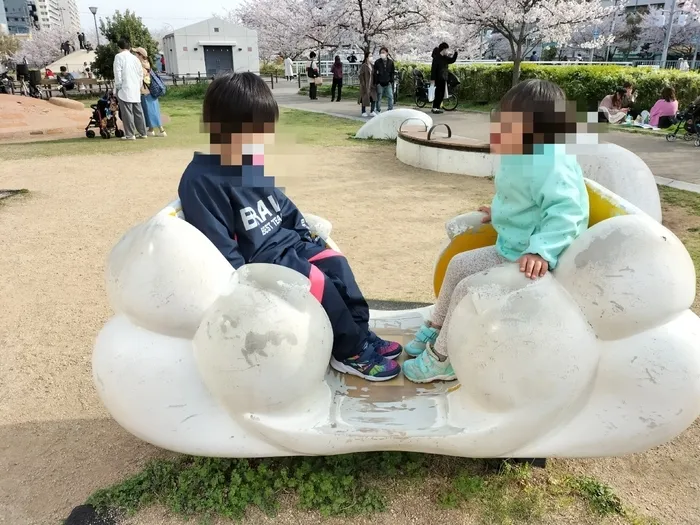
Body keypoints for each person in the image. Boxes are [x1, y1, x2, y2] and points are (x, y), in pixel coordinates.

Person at [178, 72, 403, 381]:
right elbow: (219, 244)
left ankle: (359, 334)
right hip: (264, 262)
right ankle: (350, 352)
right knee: (320, 284)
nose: (262, 140)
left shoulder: (245, 160)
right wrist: (244, 286)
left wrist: (306, 230)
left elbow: (280, 204)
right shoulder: (200, 180)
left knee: (337, 265)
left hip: (288, 243)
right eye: (255, 131)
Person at [402, 79, 589, 383]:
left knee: (468, 289)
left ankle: (443, 359)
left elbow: (568, 211)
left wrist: (542, 250)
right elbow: (518, 198)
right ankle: (436, 327)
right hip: (511, 250)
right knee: (459, 265)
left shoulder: (552, 161)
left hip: (533, 264)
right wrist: (498, 212)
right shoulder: (521, 153)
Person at [113, 38, 147, 140]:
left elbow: (117, 72)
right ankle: (143, 132)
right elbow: (140, 73)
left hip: (124, 87)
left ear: (119, 47)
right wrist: (139, 85)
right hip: (135, 87)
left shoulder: (119, 57)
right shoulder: (135, 58)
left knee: (127, 112)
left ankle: (130, 134)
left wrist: (118, 86)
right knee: (138, 111)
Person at [133, 47, 167, 137]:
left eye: (136, 53)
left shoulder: (141, 65)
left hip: (146, 91)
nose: (135, 54)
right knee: (152, 110)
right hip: (151, 91)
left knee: (150, 111)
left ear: (140, 55)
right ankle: (151, 129)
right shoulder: (147, 63)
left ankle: (161, 130)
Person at [430, 42, 458, 114]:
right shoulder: (436, 58)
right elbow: (433, 69)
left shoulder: (444, 58)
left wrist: (456, 53)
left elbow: (452, 60)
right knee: (438, 93)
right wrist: (432, 79)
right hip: (438, 78)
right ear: (443, 49)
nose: (447, 51)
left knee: (441, 94)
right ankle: (435, 108)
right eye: (446, 49)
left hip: (444, 78)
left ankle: (437, 108)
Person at [373, 46, 395, 112]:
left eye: (383, 52)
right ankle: (378, 109)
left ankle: (390, 109)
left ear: (387, 53)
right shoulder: (377, 62)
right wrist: (377, 82)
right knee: (379, 97)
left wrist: (391, 81)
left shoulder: (391, 62)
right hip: (380, 83)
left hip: (388, 82)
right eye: (381, 52)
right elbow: (375, 73)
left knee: (390, 96)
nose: (382, 54)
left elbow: (392, 72)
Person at [359, 53, 376, 117]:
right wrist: (363, 84)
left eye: (372, 56)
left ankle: (372, 111)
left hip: (372, 85)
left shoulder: (372, 65)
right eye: (370, 56)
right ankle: (363, 111)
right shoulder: (364, 66)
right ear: (366, 58)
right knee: (364, 98)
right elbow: (361, 75)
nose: (371, 57)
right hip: (365, 85)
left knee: (374, 98)